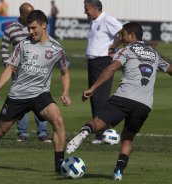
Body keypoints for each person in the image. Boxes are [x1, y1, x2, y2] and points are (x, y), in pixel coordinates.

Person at [66, 22, 172, 180]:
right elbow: (170, 69)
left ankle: (84, 133)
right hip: (144, 105)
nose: (121, 38)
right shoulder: (154, 53)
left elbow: (111, 68)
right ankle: (118, 172)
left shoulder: (127, 49)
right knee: (128, 138)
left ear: (132, 35)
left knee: (98, 123)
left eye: (123, 35)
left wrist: (93, 88)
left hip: (124, 97)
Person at [0, 10, 71, 174]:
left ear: (44, 25)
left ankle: (59, 165)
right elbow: (10, 67)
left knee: (58, 120)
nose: (30, 32)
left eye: (33, 28)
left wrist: (65, 91)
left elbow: (65, 72)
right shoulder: (23, 45)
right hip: (17, 95)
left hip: (40, 94)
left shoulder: (57, 49)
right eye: (28, 29)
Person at [0, 3, 51, 143]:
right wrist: (8, 64)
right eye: (28, 14)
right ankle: (22, 133)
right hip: (19, 73)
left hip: (37, 71)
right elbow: (4, 49)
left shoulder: (37, 27)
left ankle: (43, 133)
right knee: (19, 100)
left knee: (40, 99)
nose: (31, 16)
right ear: (22, 15)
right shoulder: (11, 29)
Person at [83, 0, 123, 144]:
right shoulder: (94, 21)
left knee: (100, 97)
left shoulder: (107, 19)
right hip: (93, 62)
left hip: (102, 62)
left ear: (95, 8)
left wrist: (113, 47)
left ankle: (102, 134)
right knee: (95, 97)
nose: (85, 11)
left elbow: (123, 32)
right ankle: (102, 132)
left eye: (86, 9)